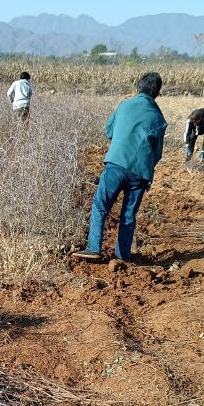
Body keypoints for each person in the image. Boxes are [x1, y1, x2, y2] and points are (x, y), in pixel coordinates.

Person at [72, 72, 167, 263]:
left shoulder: (125, 105)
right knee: (128, 215)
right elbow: (157, 154)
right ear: (157, 93)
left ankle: (93, 248)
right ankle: (122, 256)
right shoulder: (159, 118)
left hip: (116, 164)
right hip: (140, 173)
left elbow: (109, 130)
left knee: (101, 205)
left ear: (138, 87)